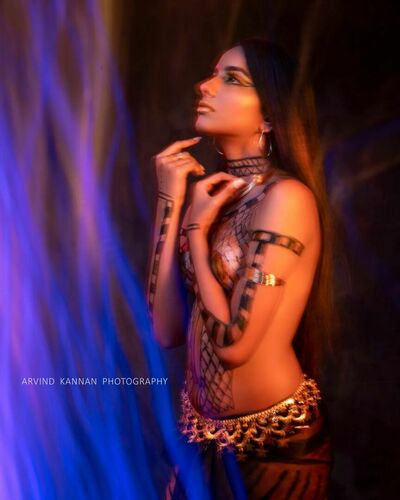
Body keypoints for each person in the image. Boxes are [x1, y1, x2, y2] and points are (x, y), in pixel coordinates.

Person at [146, 37, 335, 499]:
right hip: (201, 437)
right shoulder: (213, 198)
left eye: (231, 79)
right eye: (213, 74)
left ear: (269, 115)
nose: (204, 86)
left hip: (275, 448)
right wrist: (170, 200)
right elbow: (166, 329)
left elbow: (234, 344)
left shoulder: (286, 199)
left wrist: (195, 231)